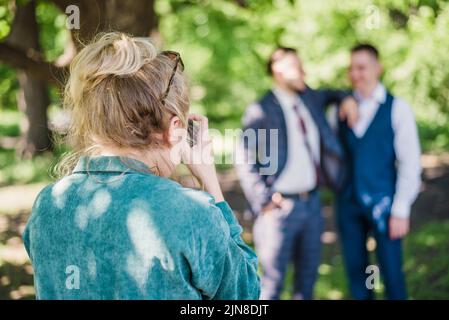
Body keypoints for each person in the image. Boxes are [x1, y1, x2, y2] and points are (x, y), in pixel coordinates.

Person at [22, 32, 260, 300]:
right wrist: (211, 184)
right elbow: (245, 295)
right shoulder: (192, 212)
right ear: (175, 129)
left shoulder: (48, 205)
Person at [236, 47, 358, 300]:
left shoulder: (310, 99)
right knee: (271, 285)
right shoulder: (260, 109)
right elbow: (244, 157)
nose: (303, 71)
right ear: (278, 71)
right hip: (279, 208)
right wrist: (264, 200)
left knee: (307, 284)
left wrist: (346, 98)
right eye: (296, 66)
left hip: (312, 204)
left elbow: (335, 92)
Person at [337, 44, 422, 300]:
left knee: (392, 274)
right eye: (351, 68)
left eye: (362, 67)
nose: (356, 74)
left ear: (378, 68)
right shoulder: (341, 109)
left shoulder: (397, 108)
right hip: (349, 205)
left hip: (385, 204)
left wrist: (401, 207)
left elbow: (410, 162)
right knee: (357, 276)